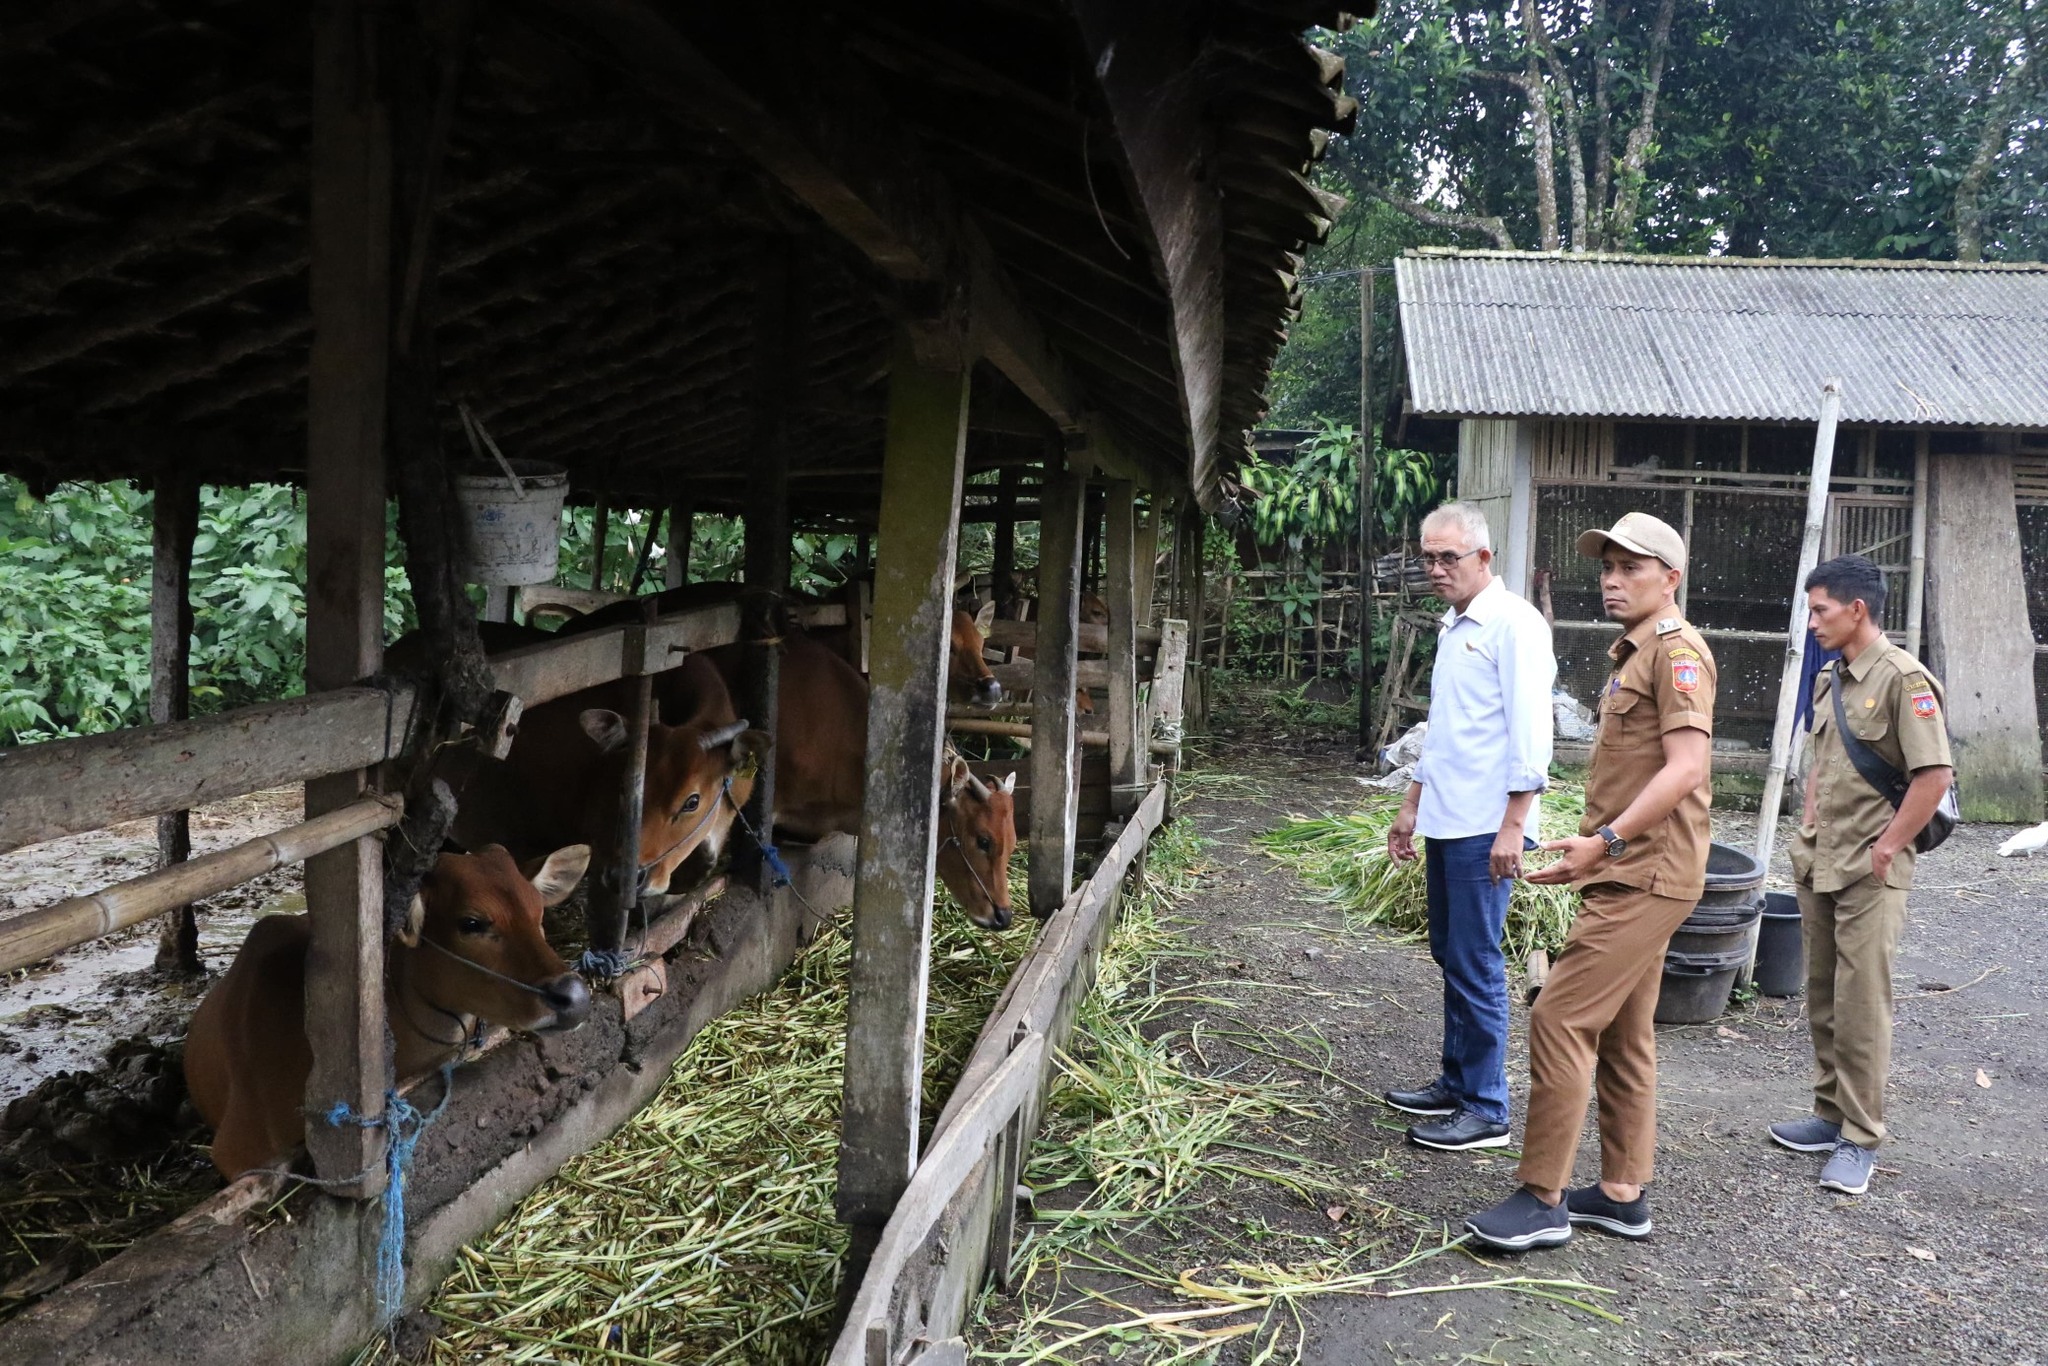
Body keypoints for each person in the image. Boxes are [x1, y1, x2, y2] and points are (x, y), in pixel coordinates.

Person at [1464, 511, 1714, 1251]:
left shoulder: (1676, 654)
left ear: (1670, 578)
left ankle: (1541, 1197)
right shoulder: (1632, 655)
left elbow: (1688, 767)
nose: (1611, 578)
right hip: (1629, 867)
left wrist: (1603, 841)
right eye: (1606, 566)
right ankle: (1620, 1194)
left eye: (1630, 567)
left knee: (1560, 1017)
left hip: (1646, 871)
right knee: (1624, 1030)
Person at [1771, 554, 1953, 1195]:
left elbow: (1934, 776)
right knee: (1821, 991)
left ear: (1857, 609)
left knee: (1861, 1003)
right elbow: (1823, 758)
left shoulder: (1905, 679)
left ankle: (1860, 1137)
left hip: (1871, 868)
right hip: (1821, 856)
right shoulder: (1831, 678)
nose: (1812, 620)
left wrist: (1887, 849)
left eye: (1820, 609)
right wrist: (1811, 819)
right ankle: (1829, 1113)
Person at [1385, 503, 1555, 1151]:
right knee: (1449, 954)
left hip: (1489, 824)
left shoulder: (1516, 626)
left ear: (1484, 558)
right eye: (1426, 557)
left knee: (1477, 960)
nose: (1435, 569)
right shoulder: (1453, 626)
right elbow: (1444, 728)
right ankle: (1456, 1083)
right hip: (1448, 818)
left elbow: (1531, 738)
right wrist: (1411, 806)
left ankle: (1487, 1106)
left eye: (1447, 557)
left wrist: (1515, 825)